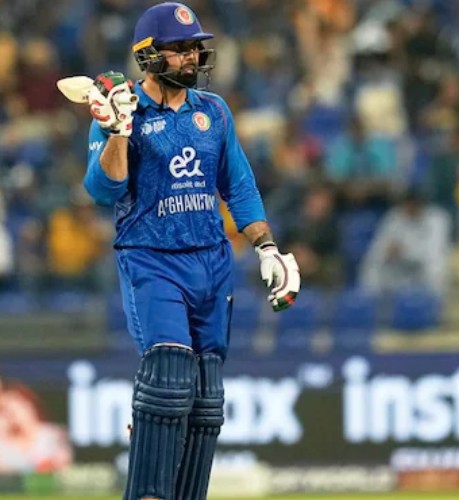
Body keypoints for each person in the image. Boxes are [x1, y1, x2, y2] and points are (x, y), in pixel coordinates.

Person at [80, 3, 301, 499]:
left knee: (205, 399)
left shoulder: (213, 110)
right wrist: (117, 131)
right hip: (152, 258)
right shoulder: (121, 109)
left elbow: (238, 186)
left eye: (194, 47)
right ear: (149, 55)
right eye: (179, 48)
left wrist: (267, 248)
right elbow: (103, 190)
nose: (192, 56)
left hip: (212, 261)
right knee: (168, 378)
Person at [0, 383, 73, 473]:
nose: (13, 415)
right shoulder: (4, 441)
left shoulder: (52, 434)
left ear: (29, 404)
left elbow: (62, 464)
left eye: (17, 407)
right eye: (6, 410)